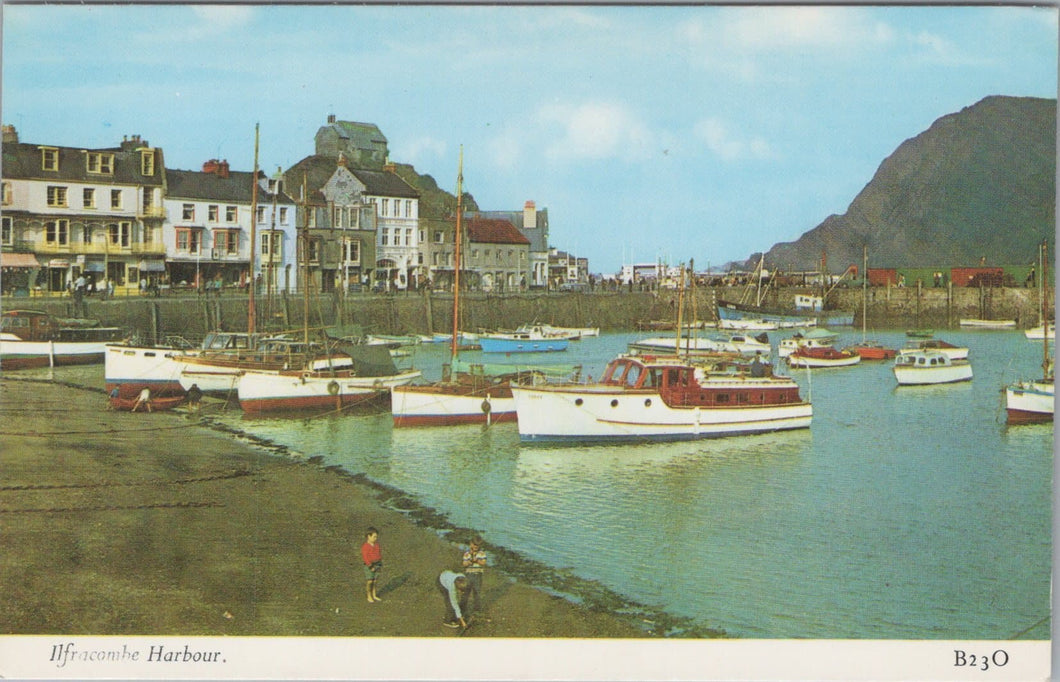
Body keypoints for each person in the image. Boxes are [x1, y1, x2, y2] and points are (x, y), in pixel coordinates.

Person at [461, 536, 487, 616]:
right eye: (474, 545)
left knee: (477, 593)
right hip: (468, 575)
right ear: (471, 544)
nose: (475, 547)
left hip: (477, 575)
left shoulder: (482, 554)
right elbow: (464, 564)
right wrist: (469, 562)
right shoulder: (467, 554)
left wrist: (478, 561)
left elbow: (483, 563)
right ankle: (462, 608)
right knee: (466, 592)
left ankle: (477, 610)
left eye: (477, 546)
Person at [361, 527, 383, 603]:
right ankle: (369, 595)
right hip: (369, 565)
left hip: (377, 564)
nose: (376, 538)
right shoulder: (365, 546)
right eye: (374, 537)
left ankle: (374, 594)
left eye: (376, 537)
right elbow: (365, 558)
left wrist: (380, 561)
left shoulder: (376, 545)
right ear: (368, 536)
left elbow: (379, 553)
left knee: (375, 581)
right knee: (370, 581)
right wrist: (370, 566)